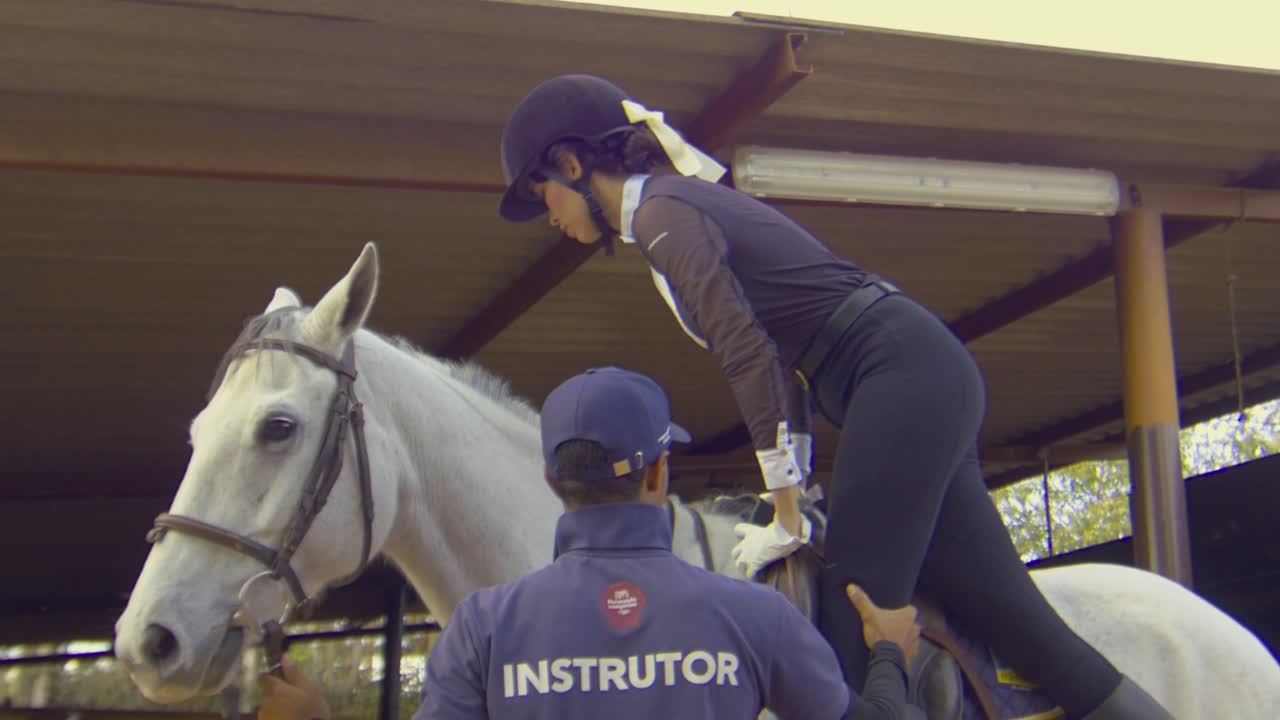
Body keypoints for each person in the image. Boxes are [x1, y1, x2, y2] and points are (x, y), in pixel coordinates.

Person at [494, 74, 1173, 720]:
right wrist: (791, 490)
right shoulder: (670, 213)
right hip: (919, 375)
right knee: (1021, 627)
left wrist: (787, 506)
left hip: (903, 376)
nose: (546, 215)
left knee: (851, 625)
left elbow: (746, 353)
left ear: (572, 164)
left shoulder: (665, 215)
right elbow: (780, 359)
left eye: (540, 190)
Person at [258, 366, 921, 720]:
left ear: (553, 480)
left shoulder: (482, 630)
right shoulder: (755, 614)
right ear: (659, 472)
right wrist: (890, 654)